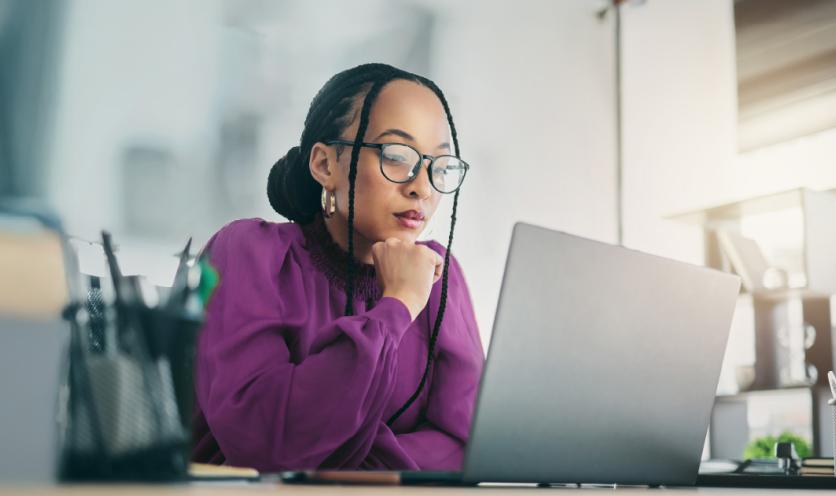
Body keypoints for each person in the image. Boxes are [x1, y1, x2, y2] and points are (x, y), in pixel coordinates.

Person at [191, 63, 484, 472]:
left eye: (439, 164)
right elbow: (264, 442)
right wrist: (397, 303)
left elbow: (466, 445)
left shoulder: (438, 274)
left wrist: (338, 455)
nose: (422, 186)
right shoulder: (248, 252)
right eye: (396, 156)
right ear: (326, 166)